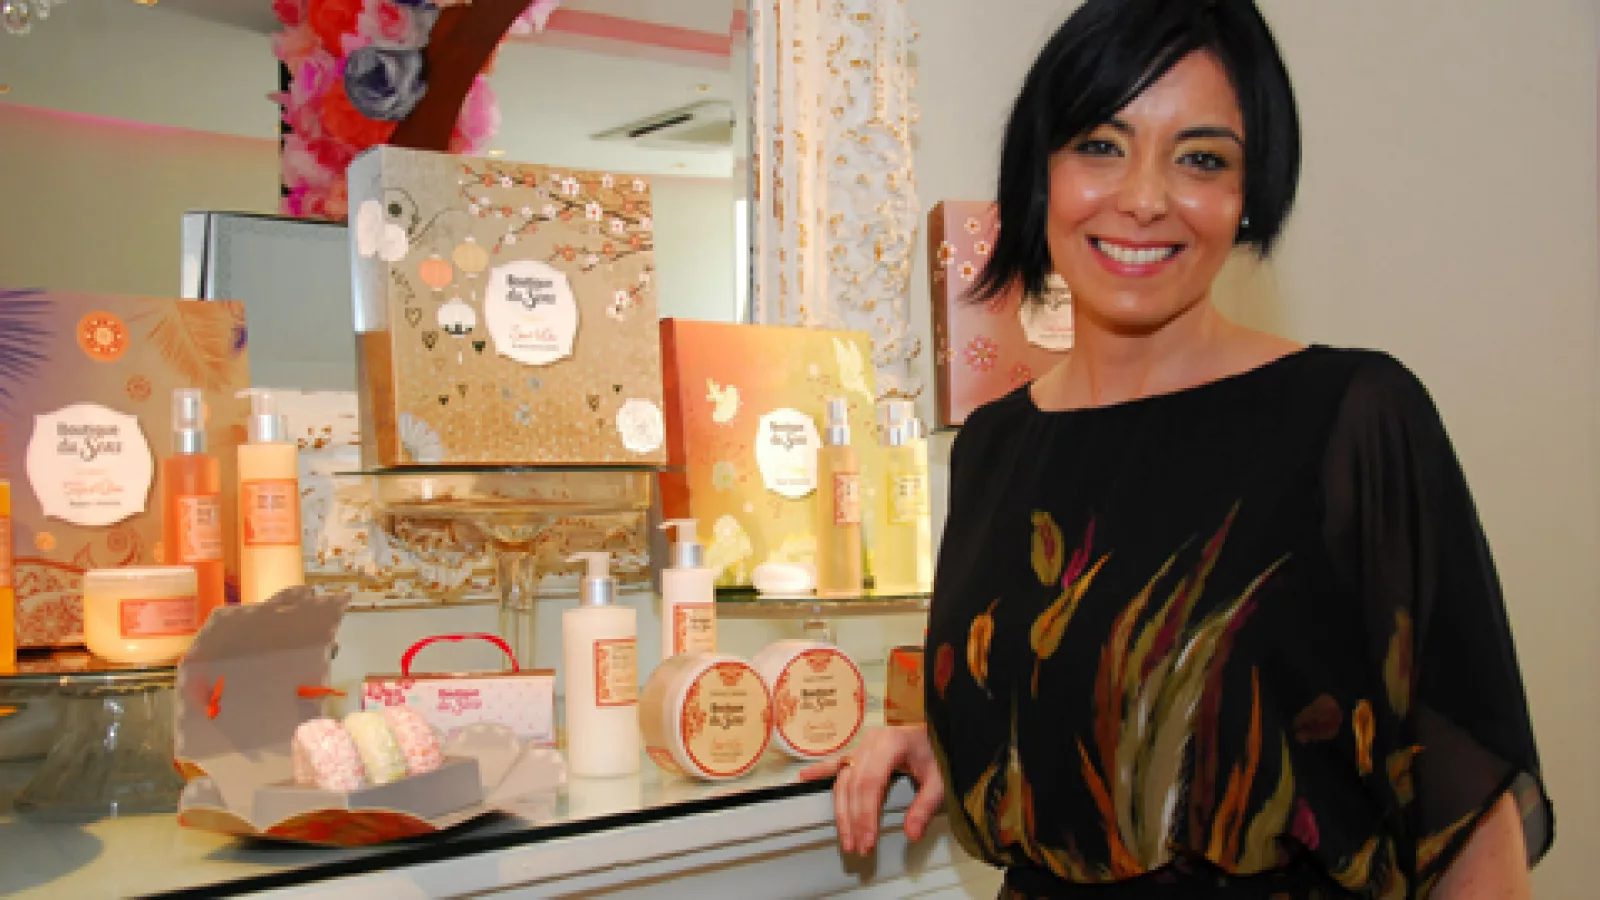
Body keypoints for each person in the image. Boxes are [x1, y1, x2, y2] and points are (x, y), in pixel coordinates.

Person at [801, 0, 1554, 896]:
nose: (1145, 198)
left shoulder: (1353, 420)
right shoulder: (994, 446)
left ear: (1249, 194)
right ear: (1040, 172)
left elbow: (1468, 828)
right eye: (1100, 145)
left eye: (1201, 158)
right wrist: (957, 739)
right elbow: (1112, 702)